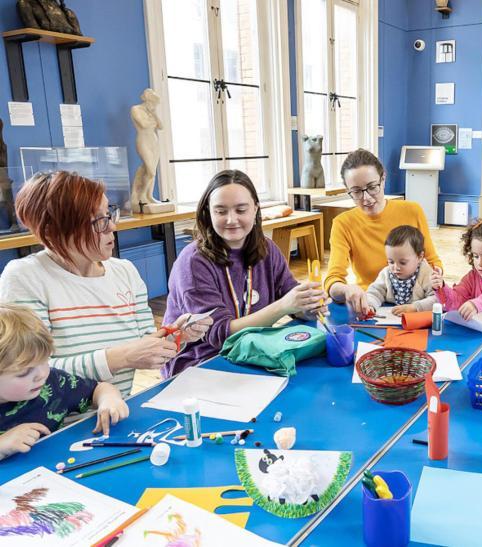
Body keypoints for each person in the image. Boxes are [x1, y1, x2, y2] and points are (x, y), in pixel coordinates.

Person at [0, 171, 210, 397]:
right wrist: (120, 358)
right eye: (98, 221)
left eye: (109, 215)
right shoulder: (25, 277)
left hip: (116, 409)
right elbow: (27, 372)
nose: (112, 227)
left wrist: (176, 334)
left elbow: (145, 344)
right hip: (56, 417)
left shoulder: (125, 272)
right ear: (53, 231)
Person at [163, 170, 330, 377]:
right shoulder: (193, 262)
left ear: (255, 209)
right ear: (208, 213)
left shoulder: (267, 249)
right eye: (220, 211)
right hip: (202, 363)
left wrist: (308, 306)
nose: (231, 219)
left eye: (241, 210)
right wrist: (284, 305)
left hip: (254, 353)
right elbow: (220, 335)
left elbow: (289, 294)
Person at [0, 304, 129, 461]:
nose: (41, 375)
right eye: (24, 372)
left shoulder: (54, 383)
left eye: (44, 361)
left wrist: (109, 399)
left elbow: (99, 389)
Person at [324, 149, 443, 317]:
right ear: (348, 190)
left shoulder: (412, 210)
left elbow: (432, 260)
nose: (366, 198)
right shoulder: (342, 224)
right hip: (371, 304)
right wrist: (346, 290)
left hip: (415, 303)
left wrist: (436, 279)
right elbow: (333, 280)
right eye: (356, 191)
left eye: (372, 187)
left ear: (383, 179)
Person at [365, 225, 436, 315]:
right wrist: (370, 305)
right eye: (391, 262)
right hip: (390, 316)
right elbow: (374, 292)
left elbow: (437, 299)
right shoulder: (386, 273)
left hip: (416, 318)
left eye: (403, 262)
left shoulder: (426, 273)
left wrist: (415, 307)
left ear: (419, 257)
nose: (395, 267)